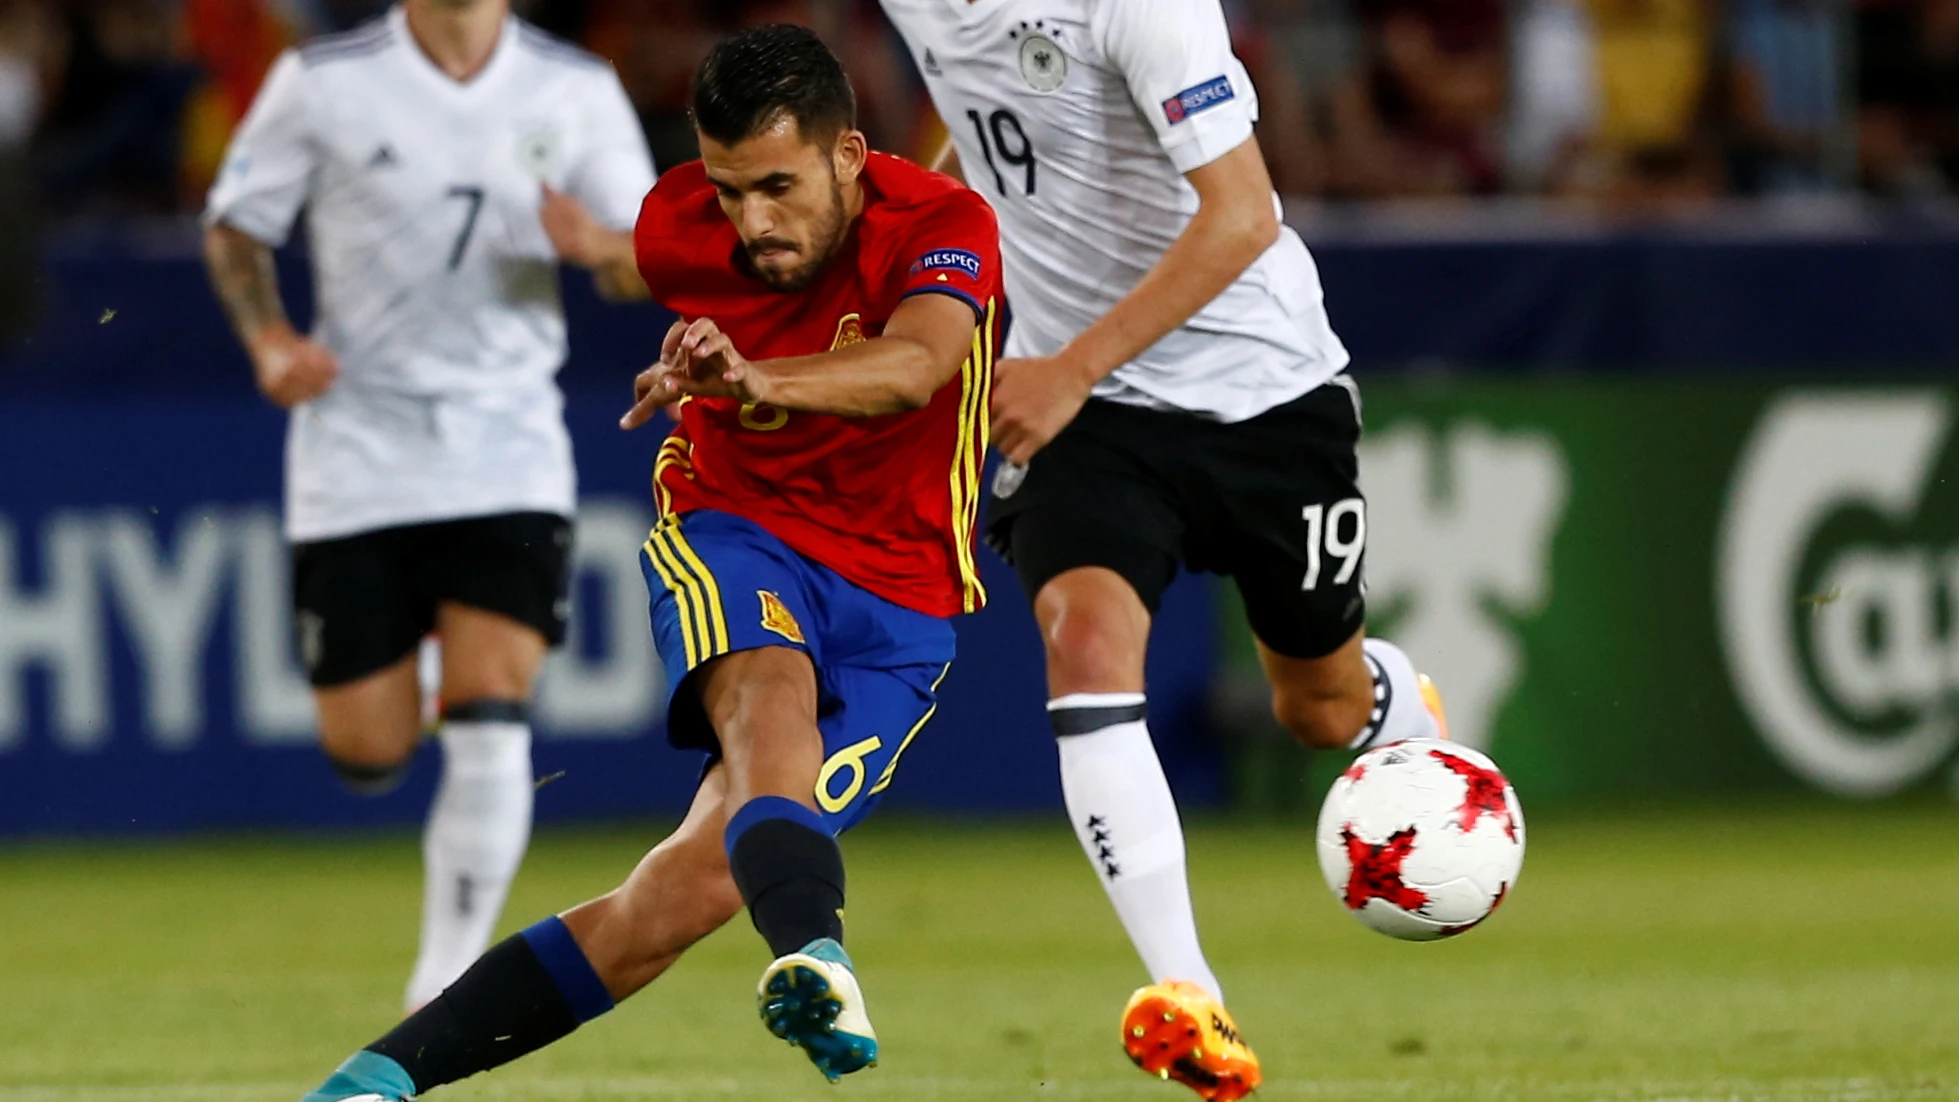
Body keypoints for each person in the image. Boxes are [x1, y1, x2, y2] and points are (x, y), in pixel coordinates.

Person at [295, 24, 1000, 1100]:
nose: (752, 223)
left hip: (902, 597)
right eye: (727, 190)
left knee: (681, 895)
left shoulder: (945, 224)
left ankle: (376, 1074)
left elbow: (916, 368)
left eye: (776, 186)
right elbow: (648, 256)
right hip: (734, 524)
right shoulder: (688, 223)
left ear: (848, 158)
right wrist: (627, 283)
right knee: (772, 705)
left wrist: (750, 372)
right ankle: (814, 951)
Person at [878, 1, 1448, 1097]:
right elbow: (964, 102)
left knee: (1317, 708)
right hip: (1088, 414)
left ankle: (1399, 703)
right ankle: (1192, 998)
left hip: (1263, 390)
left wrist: (1072, 366)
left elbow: (1238, 216)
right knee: (1085, 644)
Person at [200, 0, 657, 1012]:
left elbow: (646, 258)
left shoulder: (571, 89)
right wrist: (269, 339)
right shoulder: (325, 82)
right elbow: (236, 224)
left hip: (507, 446)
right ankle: (439, 681)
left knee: (493, 709)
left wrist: (597, 249)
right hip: (357, 448)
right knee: (367, 748)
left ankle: (440, 980)